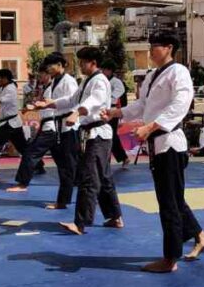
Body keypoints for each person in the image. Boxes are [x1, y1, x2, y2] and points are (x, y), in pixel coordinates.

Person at [103, 32, 204, 273]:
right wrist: (116, 113)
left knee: (169, 203)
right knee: (171, 198)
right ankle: (200, 235)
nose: (151, 50)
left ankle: (170, 258)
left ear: (169, 47)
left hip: (170, 143)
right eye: (150, 46)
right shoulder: (152, 75)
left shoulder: (179, 72)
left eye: (156, 46)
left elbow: (180, 105)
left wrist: (151, 126)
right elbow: (143, 105)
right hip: (157, 145)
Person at [36, 46, 123, 235]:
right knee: (103, 177)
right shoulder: (86, 81)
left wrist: (77, 113)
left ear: (93, 63)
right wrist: (50, 103)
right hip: (92, 134)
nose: (80, 65)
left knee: (89, 178)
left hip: (98, 133)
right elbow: (71, 99)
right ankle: (115, 216)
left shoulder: (100, 81)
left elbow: (94, 101)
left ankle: (80, 222)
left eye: (83, 62)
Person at [7, 53, 78, 210]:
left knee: (66, 165)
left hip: (64, 127)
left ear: (60, 64)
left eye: (50, 66)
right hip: (56, 126)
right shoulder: (54, 83)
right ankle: (64, 199)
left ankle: (66, 198)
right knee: (65, 165)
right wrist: (38, 106)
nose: (48, 70)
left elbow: (73, 101)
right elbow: (52, 104)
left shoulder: (68, 81)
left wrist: (50, 105)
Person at [101, 60, 130, 166]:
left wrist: (104, 99)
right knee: (108, 135)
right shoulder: (101, 80)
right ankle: (122, 157)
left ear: (110, 70)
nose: (103, 71)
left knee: (111, 135)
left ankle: (115, 159)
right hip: (102, 110)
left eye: (105, 69)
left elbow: (115, 97)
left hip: (112, 111)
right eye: (102, 69)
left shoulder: (116, 82)